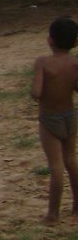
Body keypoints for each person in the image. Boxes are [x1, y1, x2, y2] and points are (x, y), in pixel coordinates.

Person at [30, 16, 78, 224]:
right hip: (70, 116)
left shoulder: (43, 62)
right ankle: (77, 206)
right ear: (75, 43)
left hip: (49, 120)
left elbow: (37, 92)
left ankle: (53, 214)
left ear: (50, 40)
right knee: (71, 161)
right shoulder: (75, 64)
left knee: (56, 165)